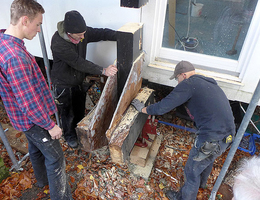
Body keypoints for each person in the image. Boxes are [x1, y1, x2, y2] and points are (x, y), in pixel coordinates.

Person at [0, 0, 72, 199]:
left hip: (20, 116)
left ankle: (42, 181)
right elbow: (28, 103)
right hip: (33, 119)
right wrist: (50, 125)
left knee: (36, 148)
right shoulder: (15, 57)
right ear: (25, 20)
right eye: (38, 24)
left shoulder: (0, 41)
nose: (39, 30)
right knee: (56, 158)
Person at [131, 61, 235, 200]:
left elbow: (164, 106)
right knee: (207, 160)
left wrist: (143, 109)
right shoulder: (207, 84)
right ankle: (201, 186)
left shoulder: (189, 84)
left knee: (191, 171)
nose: (177, 82)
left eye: (177, 78)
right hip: (228, 135)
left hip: (212, 137)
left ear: (183, 75)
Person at [50, 10, 118, 148]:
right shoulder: (58, 42)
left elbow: (101, 33)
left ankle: (78, 131)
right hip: (63, 83)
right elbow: (78, 62)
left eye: (84, 33)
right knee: (67, 113)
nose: (83, 36)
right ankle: (69, 136)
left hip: (78, 80)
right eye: (80, 35)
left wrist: (121, 36)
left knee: (79, 109)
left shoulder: (82, 33)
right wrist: (103, 70)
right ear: (69, 33)